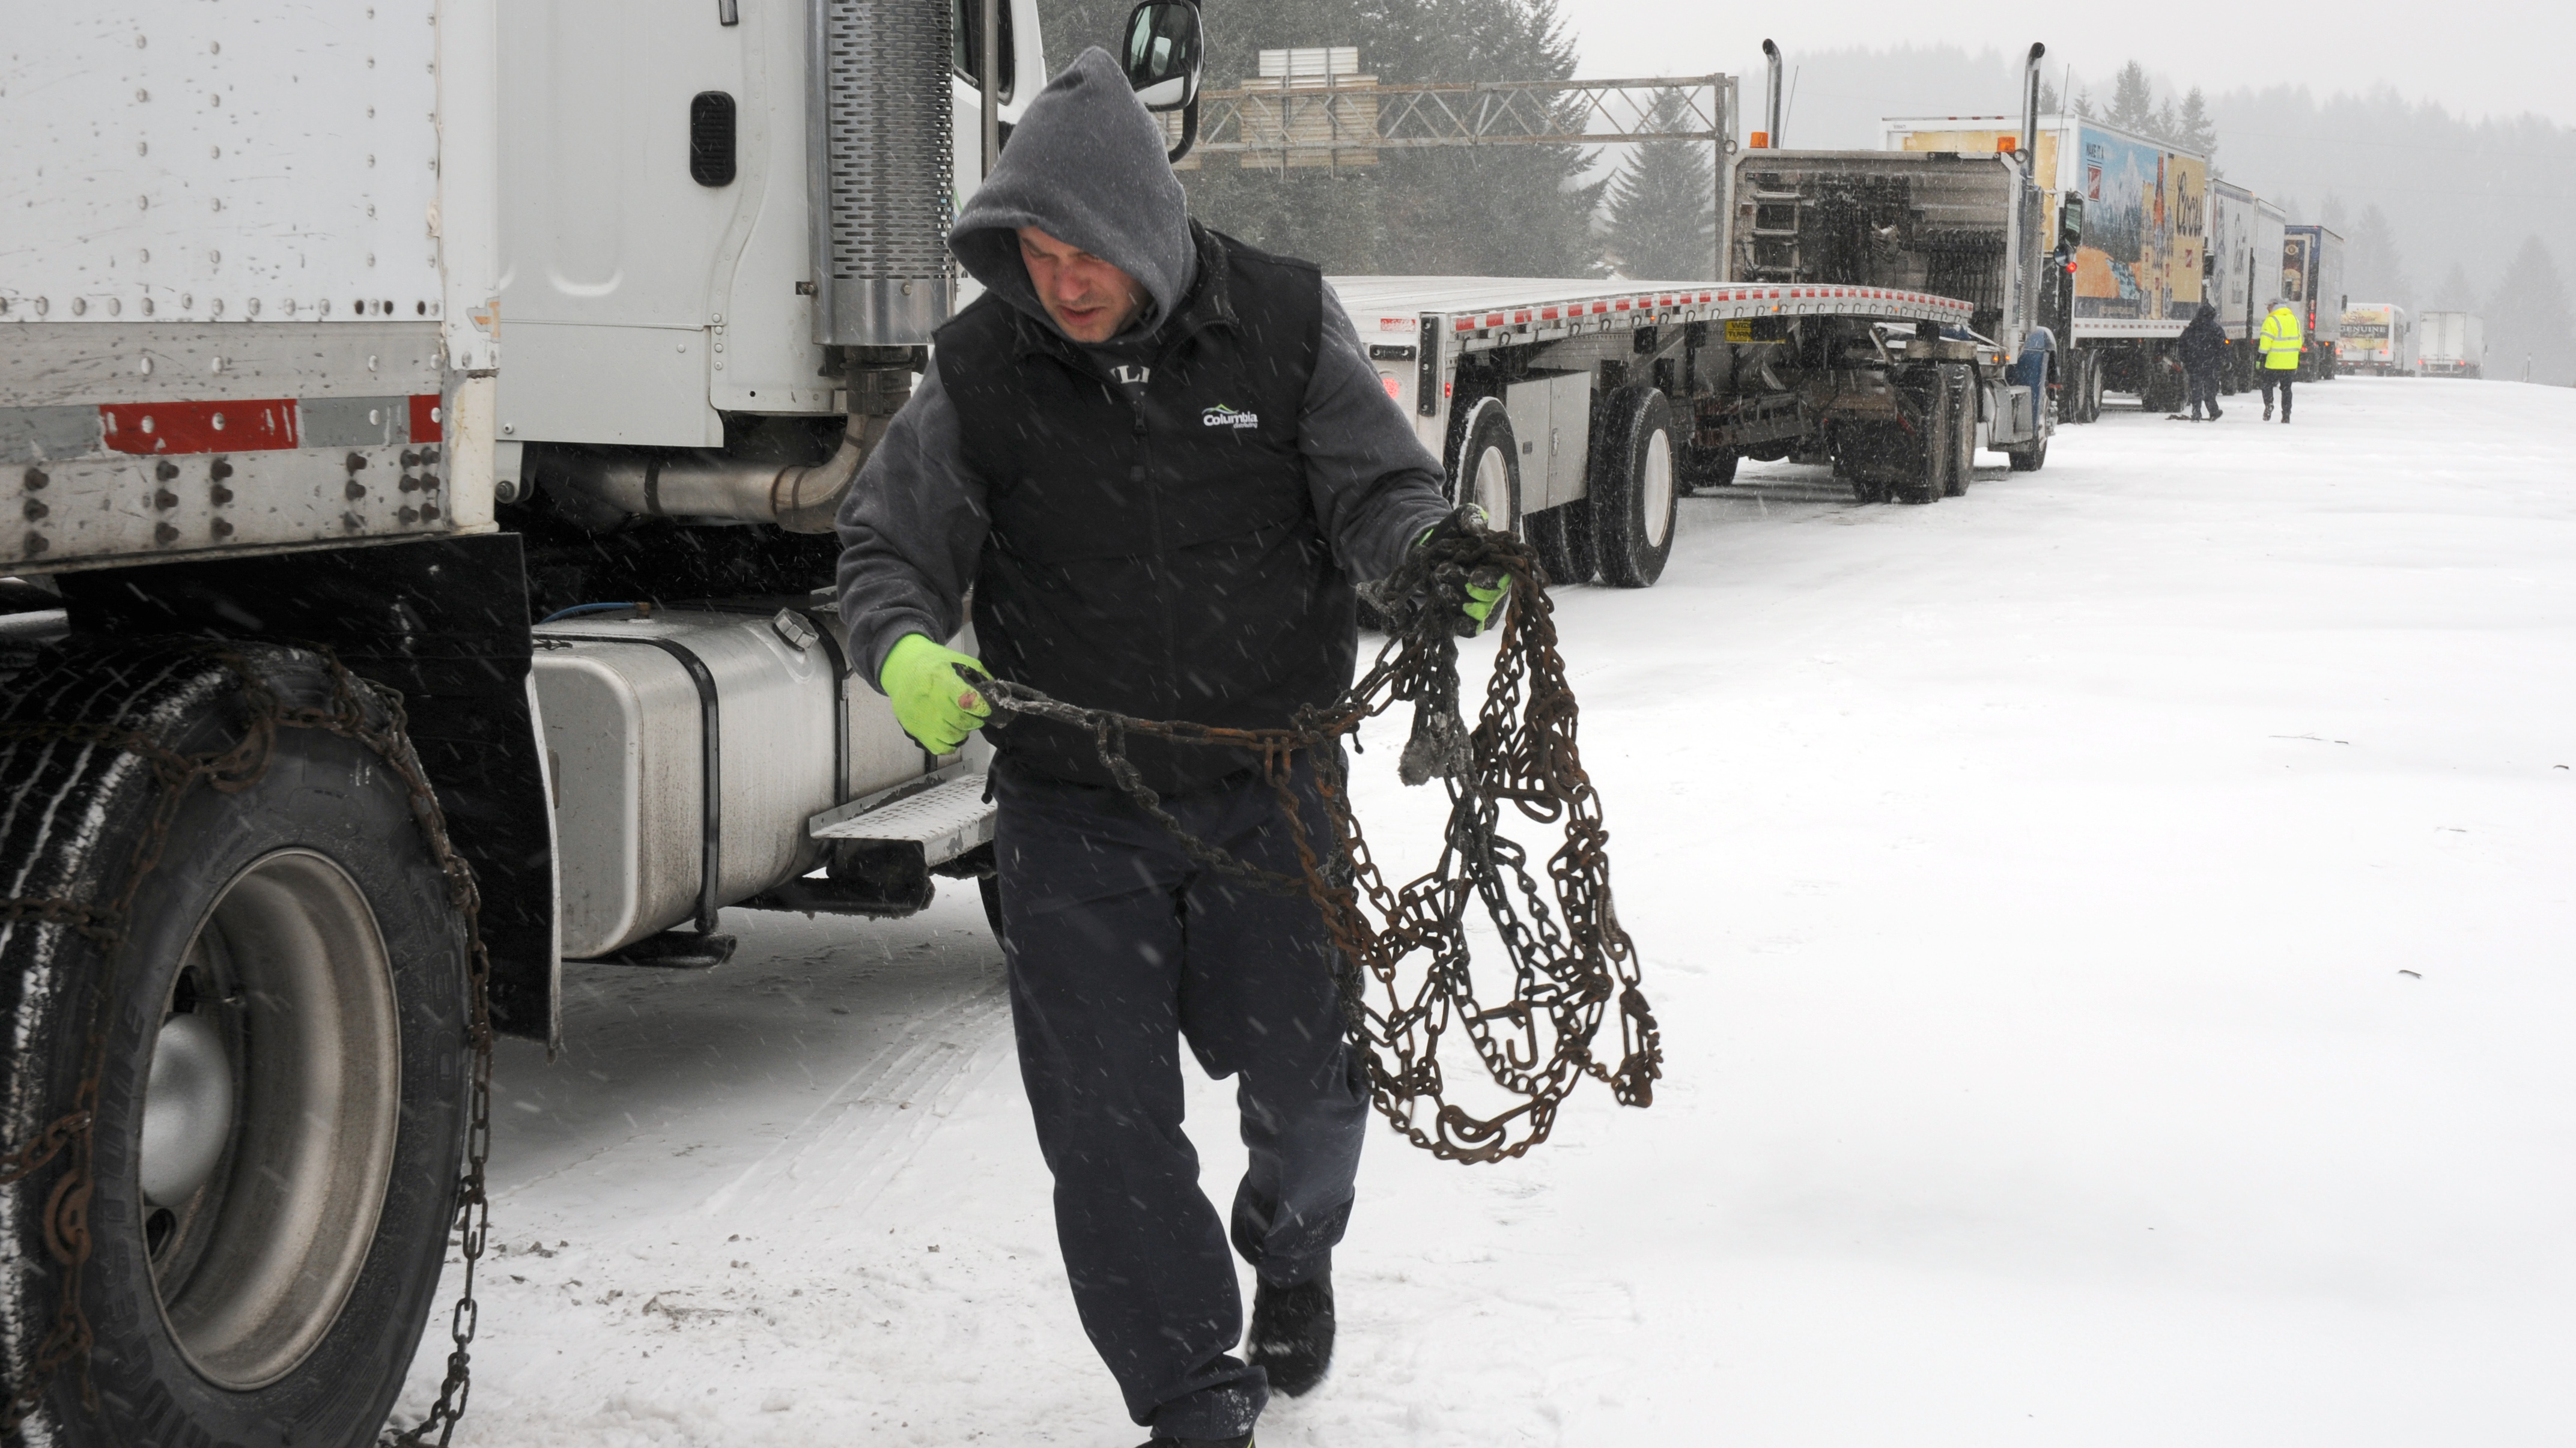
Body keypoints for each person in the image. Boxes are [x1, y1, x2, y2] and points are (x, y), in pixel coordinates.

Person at [835, 49, 1488, 1448]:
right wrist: (897, 646)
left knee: (1313, 1101)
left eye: (1087, 251)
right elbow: (886, 550)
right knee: (1106, 1136)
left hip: (1271, 787)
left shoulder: (1284, 325)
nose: (1061, 282)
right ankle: (1192, 1392)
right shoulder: (977, 371)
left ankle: (1291, 1240)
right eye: (1033, 252)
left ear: (1150, 224)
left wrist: (1432, 555)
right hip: (1075, 811)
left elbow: (1380, 489)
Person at [2175, 302, 2226, 421]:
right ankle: (2213, 411)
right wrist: (2224, 360)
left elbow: (2182, 345)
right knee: (2210, 390)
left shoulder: (2191, 329)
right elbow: (2223, 346)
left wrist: (2186, 360)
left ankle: (2196, 412)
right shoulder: (2216, 329)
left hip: (2194, 364)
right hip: (2211, 364)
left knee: (2196, 389)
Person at [2258, 297, 2304, 422]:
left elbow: (2266, 341)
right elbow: (2299, 341)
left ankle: (2269, 404)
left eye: (2269, 306)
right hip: (2290, 362)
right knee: (2287, 389)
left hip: (2274, 361)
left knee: (2267, 384)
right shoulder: (2294, 320)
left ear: (2274, 306)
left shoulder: (2271, 320)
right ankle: (2286, 415)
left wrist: (2261, 356)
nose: (2268, 309)